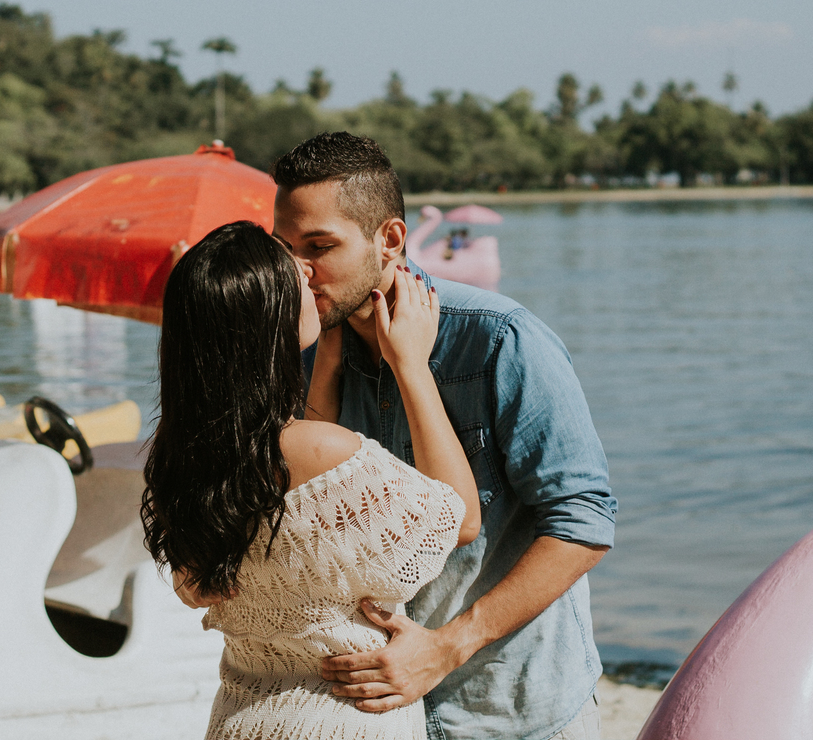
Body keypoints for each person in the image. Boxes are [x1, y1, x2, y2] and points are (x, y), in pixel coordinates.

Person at [269, 132, 618, 740]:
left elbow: (584, 523)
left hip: (513, 713)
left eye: (320, 246)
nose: (300, 270)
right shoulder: (302, 351)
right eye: (285, 249)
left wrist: (449, 647)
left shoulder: (499, 340)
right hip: (374, 713)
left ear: (391, 240)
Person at [141, 221, 482, 739]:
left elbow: (294, 488)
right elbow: (458, 519)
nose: (308, 269)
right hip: (336, 721)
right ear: (271, 322)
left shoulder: (183, 454)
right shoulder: (322, 451)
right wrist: (411, 365)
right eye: (291, 271)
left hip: (242, 713)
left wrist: (325, 358)